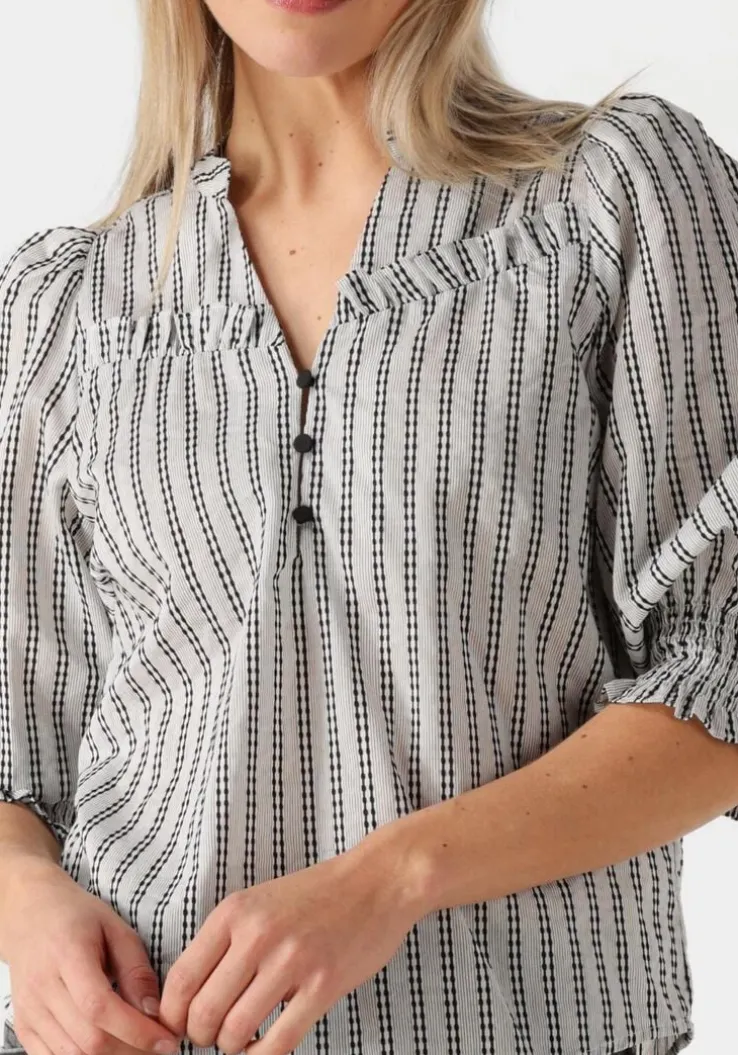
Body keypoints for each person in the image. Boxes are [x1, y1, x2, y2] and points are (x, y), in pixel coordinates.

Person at [1, 0, 738, 1053]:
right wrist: (30, 907)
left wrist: (394, 877)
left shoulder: (610, 199)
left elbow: (720, 669)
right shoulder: (67, 306)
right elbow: (17, 753)